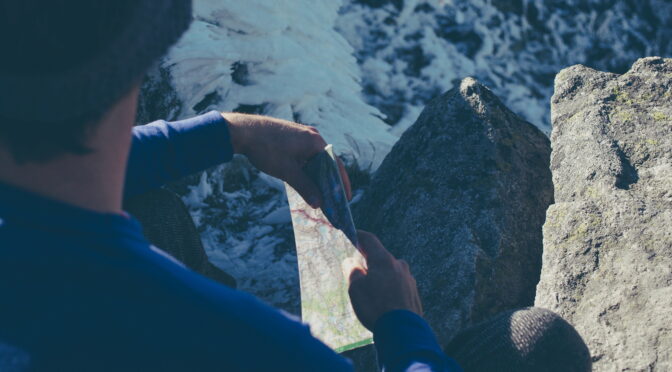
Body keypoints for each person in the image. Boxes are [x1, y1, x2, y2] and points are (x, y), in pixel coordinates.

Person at [0, 1, 591, 371]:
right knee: (542, 344)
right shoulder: (258, 347)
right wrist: (401, 327)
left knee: (151, 207)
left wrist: (231, 132)